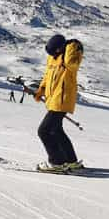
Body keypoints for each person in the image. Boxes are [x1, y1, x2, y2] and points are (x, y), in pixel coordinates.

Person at [33, 34, 84, 172]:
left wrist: (71, 46)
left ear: (61, 48)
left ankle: (56, 163)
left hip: (62, 99)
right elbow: (47, 76)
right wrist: (41, 90)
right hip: (53, 100)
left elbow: (72, 63)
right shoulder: (53, 58)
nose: (53, 55)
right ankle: (71, 161)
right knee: (56, 131)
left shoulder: (69, 57)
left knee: (44, 131)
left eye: (55, 52)